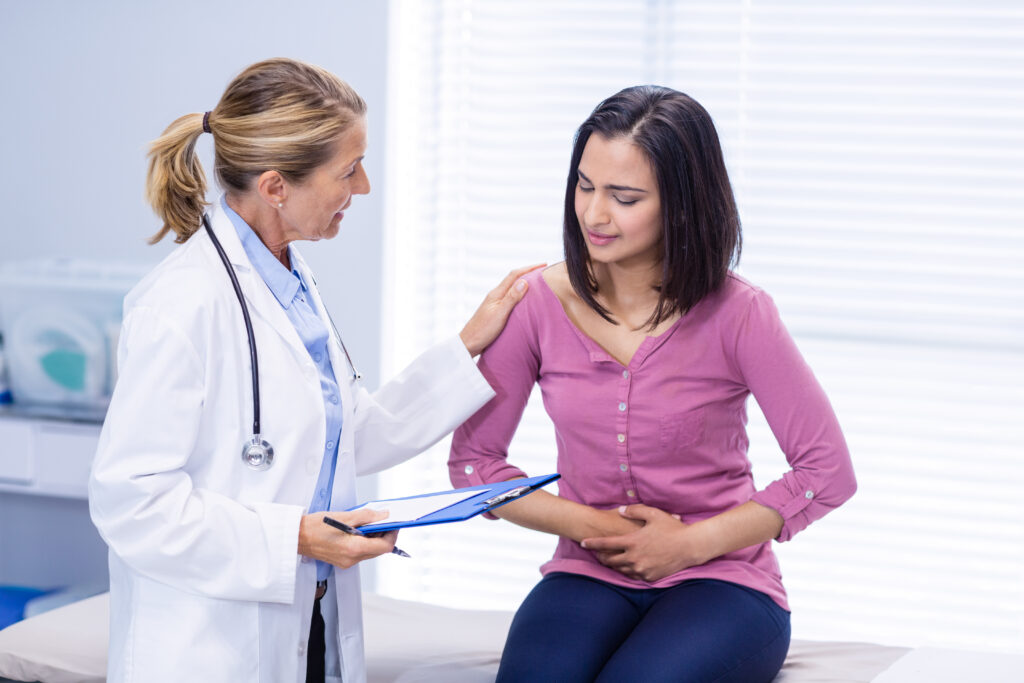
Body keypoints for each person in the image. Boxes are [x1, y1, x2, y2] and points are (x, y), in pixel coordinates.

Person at [89, 58, 537, 683]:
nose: (364, 187)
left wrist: (469, 343)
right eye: (349, 170)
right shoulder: (180, 305)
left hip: (311, 619)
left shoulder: (290, 283)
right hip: (210, 647)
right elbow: (131, 503)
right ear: (276, 187)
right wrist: (295, 538)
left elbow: (344, 438)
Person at [448, 85, 857, 683]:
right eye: (585, 186)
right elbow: (473, 466)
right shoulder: (534, 302)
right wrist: (596, 528)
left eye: (625, 197)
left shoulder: (741, 313)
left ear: (682, 205)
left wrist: (688, 545)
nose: (594, 214)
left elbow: (827, 471)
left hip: (724, 581)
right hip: (586, 572)